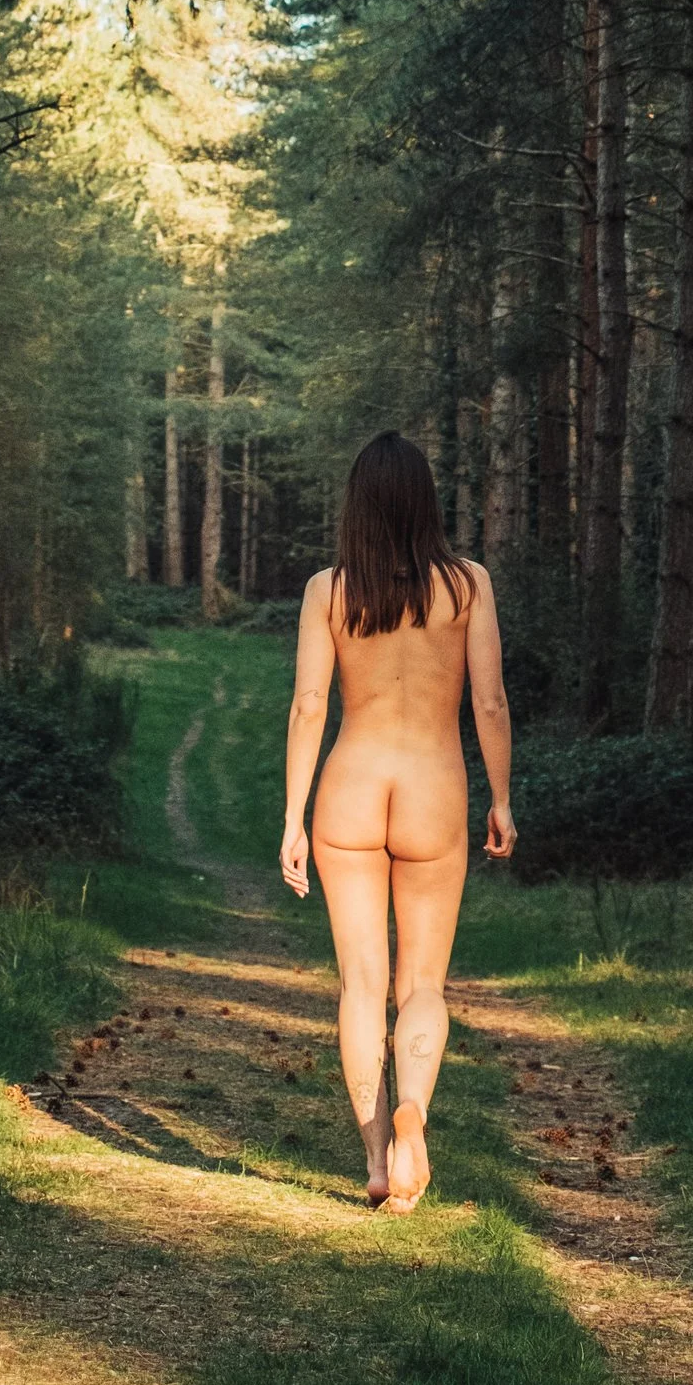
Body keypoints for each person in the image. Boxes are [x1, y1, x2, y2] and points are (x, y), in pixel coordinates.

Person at [279, 430, 515, 1210]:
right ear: (425, 502)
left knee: (360, 986)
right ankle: (414, 1106)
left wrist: (291, 816)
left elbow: (311, 703)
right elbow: (489, 701)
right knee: (422, 984)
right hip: (433, 792)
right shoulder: (468, 586)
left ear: (357, 506)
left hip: (348, 788)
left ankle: (379, 1160)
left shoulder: (329, 590)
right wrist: (502, 798)